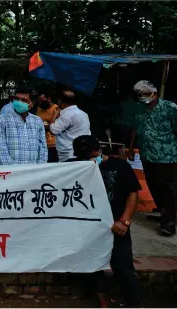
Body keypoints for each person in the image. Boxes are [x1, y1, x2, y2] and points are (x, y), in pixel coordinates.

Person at [69, 136, 141, 308]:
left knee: (123, 267)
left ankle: (134, 303)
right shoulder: (73, 167)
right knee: (91, 268)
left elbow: (133, 194)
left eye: (92, 155)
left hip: (117, 227)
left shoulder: (120, 166)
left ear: (100, 150)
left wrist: (124, 220)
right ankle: (103, 302)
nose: (90, 160)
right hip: (88, 228)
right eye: (85, 157)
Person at [128, 80, 177, 236]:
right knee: (153, 186)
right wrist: (131, 147)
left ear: (154, 93)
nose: (142, 97)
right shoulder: (139, 110)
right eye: (139, 95)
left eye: (144, 94)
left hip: (167, 155)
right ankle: (165, 212)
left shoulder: (170, 108)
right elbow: (135, 129)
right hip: (147, 155)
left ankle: (168, 222)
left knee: (168, 188)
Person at [0, 86, 48, 165]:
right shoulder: (2, 120)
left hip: (33, 172)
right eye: (17, 99)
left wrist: (39, 168)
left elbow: (43, 147)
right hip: (9, 173)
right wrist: (17, 172)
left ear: (31, 104)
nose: (19, 102)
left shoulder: (37, 121)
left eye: (24, 100)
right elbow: (0, 149)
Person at [49, 90, 91, 162]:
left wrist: (55, 115)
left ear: (59, 101)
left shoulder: (67, 115)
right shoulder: (84, 114)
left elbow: (53, 130)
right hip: (83, 152)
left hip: (69, 155)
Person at [35, 93, 61, 162]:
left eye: (41, 101)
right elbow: (37, 125)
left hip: (53, 144)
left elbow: (54, 127)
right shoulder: (39, 109)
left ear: (48, 99)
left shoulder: (56, 109)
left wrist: (43, 127)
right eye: (38, 102)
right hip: (41, 143)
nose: (40, 104)